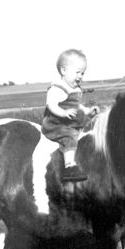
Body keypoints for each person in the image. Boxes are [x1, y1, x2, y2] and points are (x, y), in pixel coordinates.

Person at [42, 49, 99, 183]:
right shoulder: (57, 88)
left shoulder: (75, 89)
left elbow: (77, 105)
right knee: (70, 136)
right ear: (63, 71)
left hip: (69, 122)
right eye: (77, 72)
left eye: (83, 73)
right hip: (55, 124)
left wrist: (87, 111)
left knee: (84, 129)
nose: (80, 76)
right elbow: (51, 105)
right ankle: (69, 167)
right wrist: (63, 113)